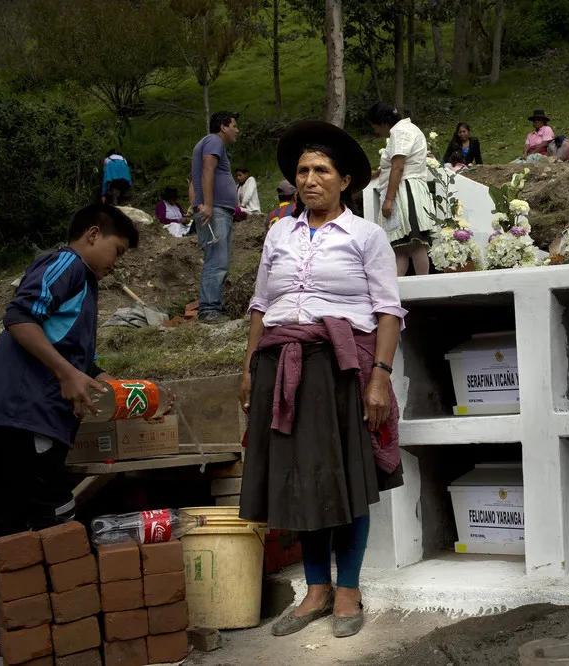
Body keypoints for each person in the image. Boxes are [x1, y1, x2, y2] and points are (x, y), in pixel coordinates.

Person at [239, 120, 405, 639]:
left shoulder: (366, 236)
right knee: (297, 480)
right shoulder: (279, 233)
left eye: (321, 171)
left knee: (345, 478)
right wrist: (248, 369)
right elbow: (260, 304)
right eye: (302, 171)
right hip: (279, 367)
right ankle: (316, 589)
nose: (309, 180)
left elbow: (388, 311)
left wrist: (378, 379)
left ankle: (348, 589)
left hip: (338, 368)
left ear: (345, 180)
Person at [0, 204, 139, 537]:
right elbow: (19, 316)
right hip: (25, 416)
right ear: (93, 234)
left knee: (19, 523)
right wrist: (66, 373)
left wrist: (126, 395)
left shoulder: (86, 285)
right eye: (117, 251)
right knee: (51, 518)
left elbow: (82, 364)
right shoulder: (67, 264)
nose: (116, 264)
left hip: (42, 422)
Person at [367, 101, 436, 277]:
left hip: (405, 190)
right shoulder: (403, 131)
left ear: (384, 123)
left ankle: (424, 284)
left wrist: (389, 199)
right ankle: (396, 288)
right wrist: (376, 174)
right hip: (401, 190)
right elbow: (392, 166)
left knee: (415, 244)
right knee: (400, 248)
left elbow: (398, 167)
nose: (376, 131)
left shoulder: (400, 132)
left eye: (376, 127)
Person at [191, 111, 240, 324]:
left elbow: (195, 178)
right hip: (216, 210)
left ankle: (214, 306)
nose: (237, 130)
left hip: (219, 210)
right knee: (217, 261)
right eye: (234, 126)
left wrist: (198, 203)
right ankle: (209, 309)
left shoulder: (208, 142)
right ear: (223, 127)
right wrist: (209, 205)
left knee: (220, 260)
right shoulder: (214, 141)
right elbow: (207, 169)